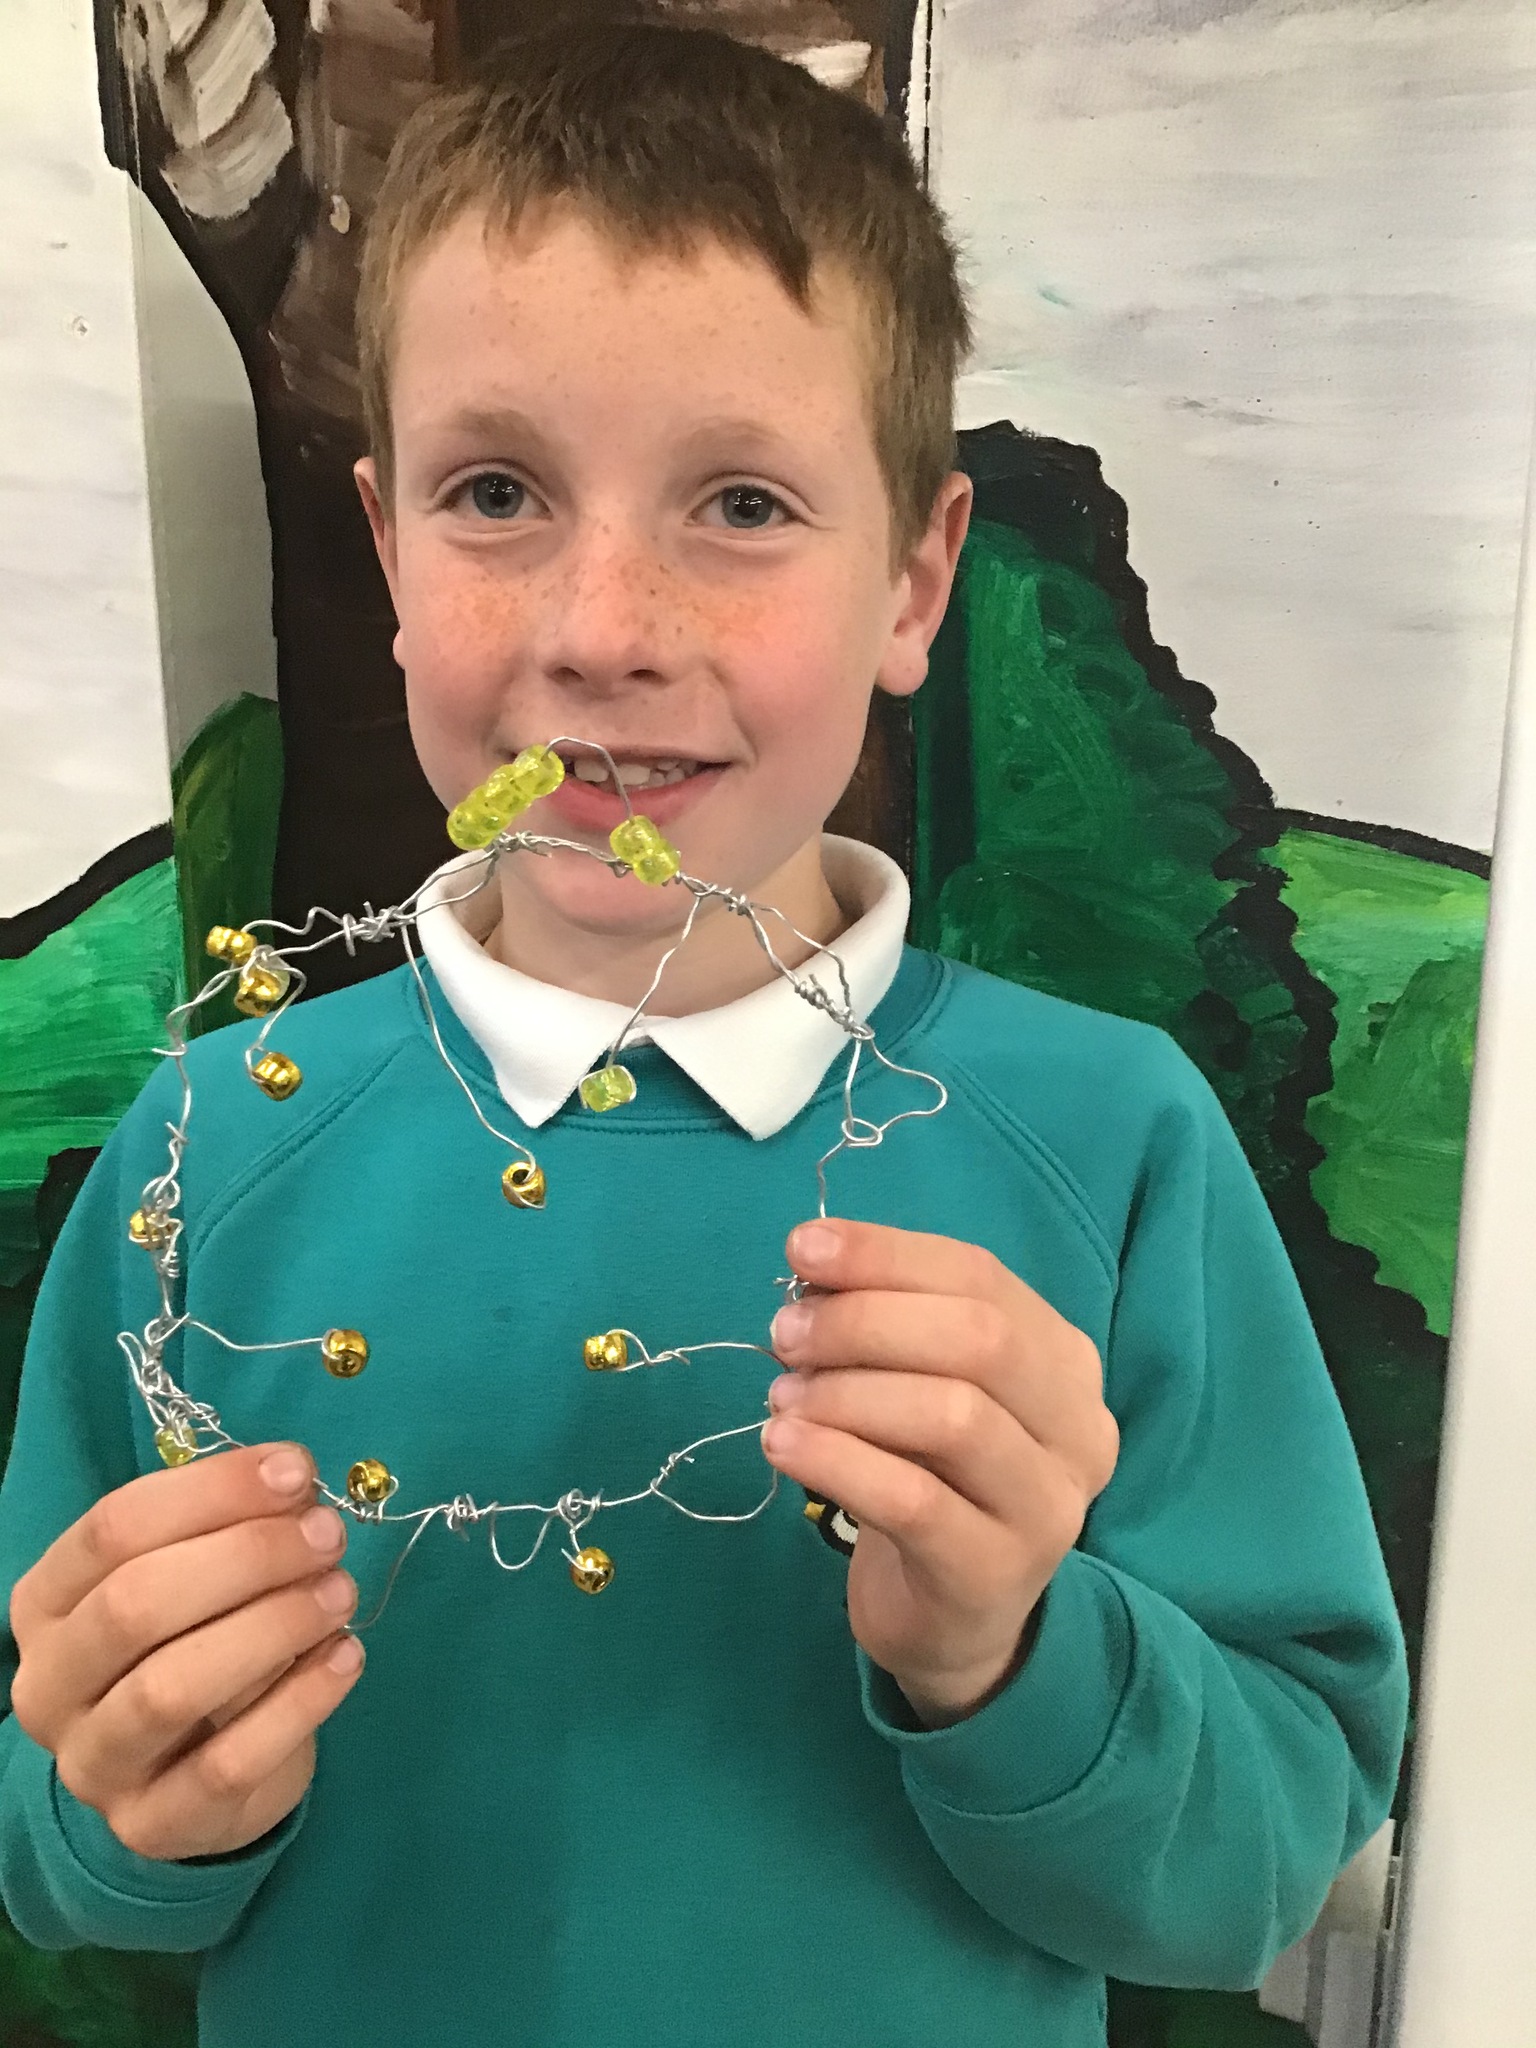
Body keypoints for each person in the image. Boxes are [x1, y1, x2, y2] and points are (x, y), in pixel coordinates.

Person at [0, 23, 1406, 2047]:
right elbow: (55, 1832)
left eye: (742, 502)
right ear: (387, 554)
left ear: (913, 581)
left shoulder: (1110, 1140)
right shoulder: (205, 1149)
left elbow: (1260, 1866)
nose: (604, 628)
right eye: (497, 493)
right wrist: (136, 1804)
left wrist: (1008, 1653)